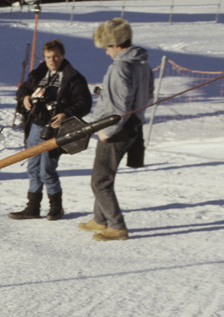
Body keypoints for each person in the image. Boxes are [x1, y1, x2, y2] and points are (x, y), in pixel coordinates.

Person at [81, 18, 153, 241]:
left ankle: (116, 225)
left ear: (115, 44)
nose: (105, 53)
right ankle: (99, 219)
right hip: (132, 127)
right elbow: (145, 95)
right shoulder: (142, 64)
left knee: (100, 181)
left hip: (115, 130)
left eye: (106, 48)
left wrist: (107, 131)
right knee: (105, 177)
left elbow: (120, 106)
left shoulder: (120, 67)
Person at [9, 39, 92, 221]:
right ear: (44, 57)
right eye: (48, 57)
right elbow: (22, 89)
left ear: (62, 56)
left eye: (55, 56)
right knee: (32, 167)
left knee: (47, 170)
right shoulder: (38, 74)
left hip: (55, 130)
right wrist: (24, 98)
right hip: (35, 126)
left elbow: (84, 103)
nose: (52, 60)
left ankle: (56, 207)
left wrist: (66, 114)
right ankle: (32, 207)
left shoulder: (73, 78)